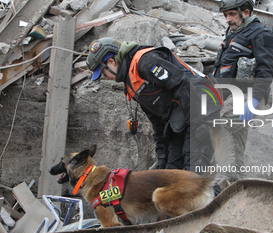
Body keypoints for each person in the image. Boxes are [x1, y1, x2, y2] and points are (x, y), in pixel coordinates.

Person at [86, 38, 215, 174]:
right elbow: (157, 120)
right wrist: (162, 159)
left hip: (203, 104)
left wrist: (198, 124)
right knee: (170, 174)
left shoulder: (145, 61)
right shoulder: (131, 83)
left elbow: (182, 85)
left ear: (111, 62)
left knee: (193, 174)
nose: (105, 78)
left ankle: (222, 193)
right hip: (183, 115)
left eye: (103, 73)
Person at [211, 0, 273, 180]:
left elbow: (265, 71)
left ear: (246, 12)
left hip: (248, 98)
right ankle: (236, 184)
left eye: (232, 14)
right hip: (230, 97)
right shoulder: (235, 33)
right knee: (236, 143)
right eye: (226, 15)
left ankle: (210, 182)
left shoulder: (261, 34)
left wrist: (254, 101)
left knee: (214, 125)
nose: (227, 19)